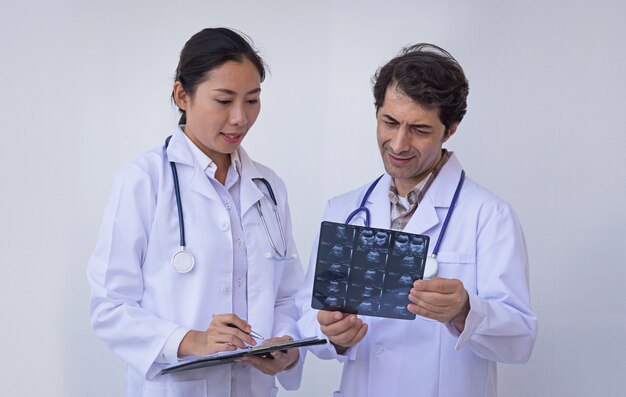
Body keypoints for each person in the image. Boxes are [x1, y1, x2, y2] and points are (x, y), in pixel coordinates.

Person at [296, 43, 537, 397]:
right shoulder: (344, 210)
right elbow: (307, 316)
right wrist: (332, 334)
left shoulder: (488, 215)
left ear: (450, 129)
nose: (398, 143)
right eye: (389, 122)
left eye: (420, 130)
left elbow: (520, 340)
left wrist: (465, 310)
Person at [87, 27, 305, 397]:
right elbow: (110, 306)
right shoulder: (144, 181)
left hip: (254, 387)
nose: (240, 118)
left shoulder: (268, 187)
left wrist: (286, 348)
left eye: (252, 100)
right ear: (181, 95)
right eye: (224, 100)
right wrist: (191, 340)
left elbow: (287, 295)